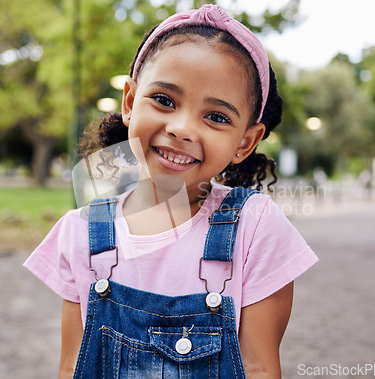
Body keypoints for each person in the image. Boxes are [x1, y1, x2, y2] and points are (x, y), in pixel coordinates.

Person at [24, 4, 318, 378]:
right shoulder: (79, 232)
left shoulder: (254, 227)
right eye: (164, 100)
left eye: (216, 117)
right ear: (130, 102)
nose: (181, 128)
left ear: (246, 141)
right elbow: (70, 367)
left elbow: (260, 369)